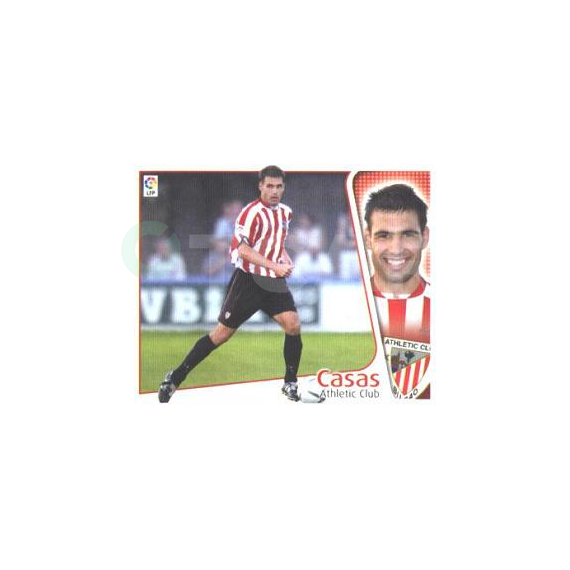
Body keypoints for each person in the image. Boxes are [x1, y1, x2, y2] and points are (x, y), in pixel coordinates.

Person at [158, 166, 303, 402]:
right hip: (248, 281)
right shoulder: (250, 213)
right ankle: (175, 377)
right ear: (260, 186)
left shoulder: (285, 213)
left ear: (283, 187)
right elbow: (243, 250)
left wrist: (283, 259)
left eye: (279, 186)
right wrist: (275, 266)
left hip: (273, 282)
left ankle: (290, 383)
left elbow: (275, 244)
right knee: (221, 335)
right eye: (269, 186)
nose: (274, 191)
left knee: (293, 325)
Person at [364, 184, 430, 397]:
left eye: (408, 235)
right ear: (368, 239)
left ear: (424, 237)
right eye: (384, 236)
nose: (396, 249)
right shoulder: (348, 310)